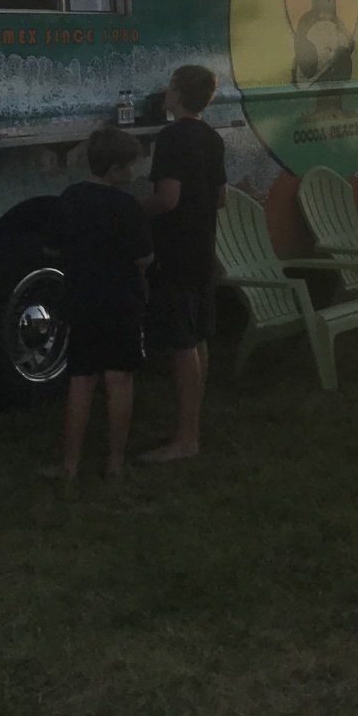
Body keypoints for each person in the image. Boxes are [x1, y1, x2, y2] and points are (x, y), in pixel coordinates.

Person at [46, 127, 152, 481]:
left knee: (82, 379)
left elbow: (56, 244)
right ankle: (115, 463)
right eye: (130, 165)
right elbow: (144, 258)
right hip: (121, 303)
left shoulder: (71, 197)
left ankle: (70, 465)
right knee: (119, 379)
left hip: (81, 300)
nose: (134, 171)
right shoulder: (127, 206)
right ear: (115, 170)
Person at [141, 64, 226, 463]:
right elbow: (221, 196)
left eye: (170, 86)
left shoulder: (172, 137)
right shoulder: (212, 137)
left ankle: (186, 439)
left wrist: (134, 211)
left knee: (181, 342)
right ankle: (189, 425)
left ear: (176, 93)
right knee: (198, 336)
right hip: (204, 245)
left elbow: (168, 198)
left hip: (176, 247)